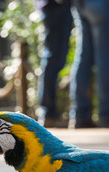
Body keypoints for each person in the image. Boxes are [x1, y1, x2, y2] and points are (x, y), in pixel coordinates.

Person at [69, 0, 109, 128]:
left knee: (83, 57)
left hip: (80, 4)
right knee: (106, 58)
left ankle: (80, 114)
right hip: (103, 4)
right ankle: (107, 113)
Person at [35, 0, 73, 128]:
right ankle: (48, 112)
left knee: (55, 59)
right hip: (55, 6)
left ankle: (48, 113)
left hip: (55, 6)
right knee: (52, 58)